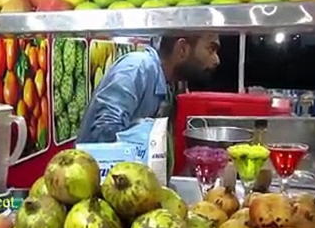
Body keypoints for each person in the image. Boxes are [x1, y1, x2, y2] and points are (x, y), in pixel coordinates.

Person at [76, 33, 221, 173]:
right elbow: (104, 135)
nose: (216, 60)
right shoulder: (136, 68)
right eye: (211, 49)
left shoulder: (168, 85)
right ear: (182, 49)